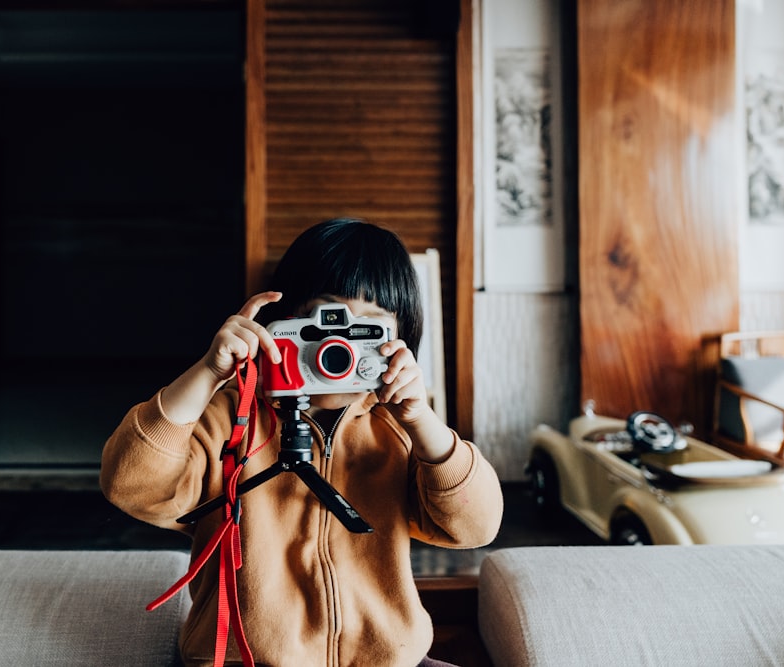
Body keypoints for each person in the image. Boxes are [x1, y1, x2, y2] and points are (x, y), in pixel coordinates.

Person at [101, 218, 503, 667]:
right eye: (325, 322)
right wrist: (207, 375)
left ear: (400, 343)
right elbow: (130, 484)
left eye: (367, 329)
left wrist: (422, 422)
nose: (339, 349)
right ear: (282, 325)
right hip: (245, 659)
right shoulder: (230, 418)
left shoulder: (398, 432)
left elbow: (477, 526)